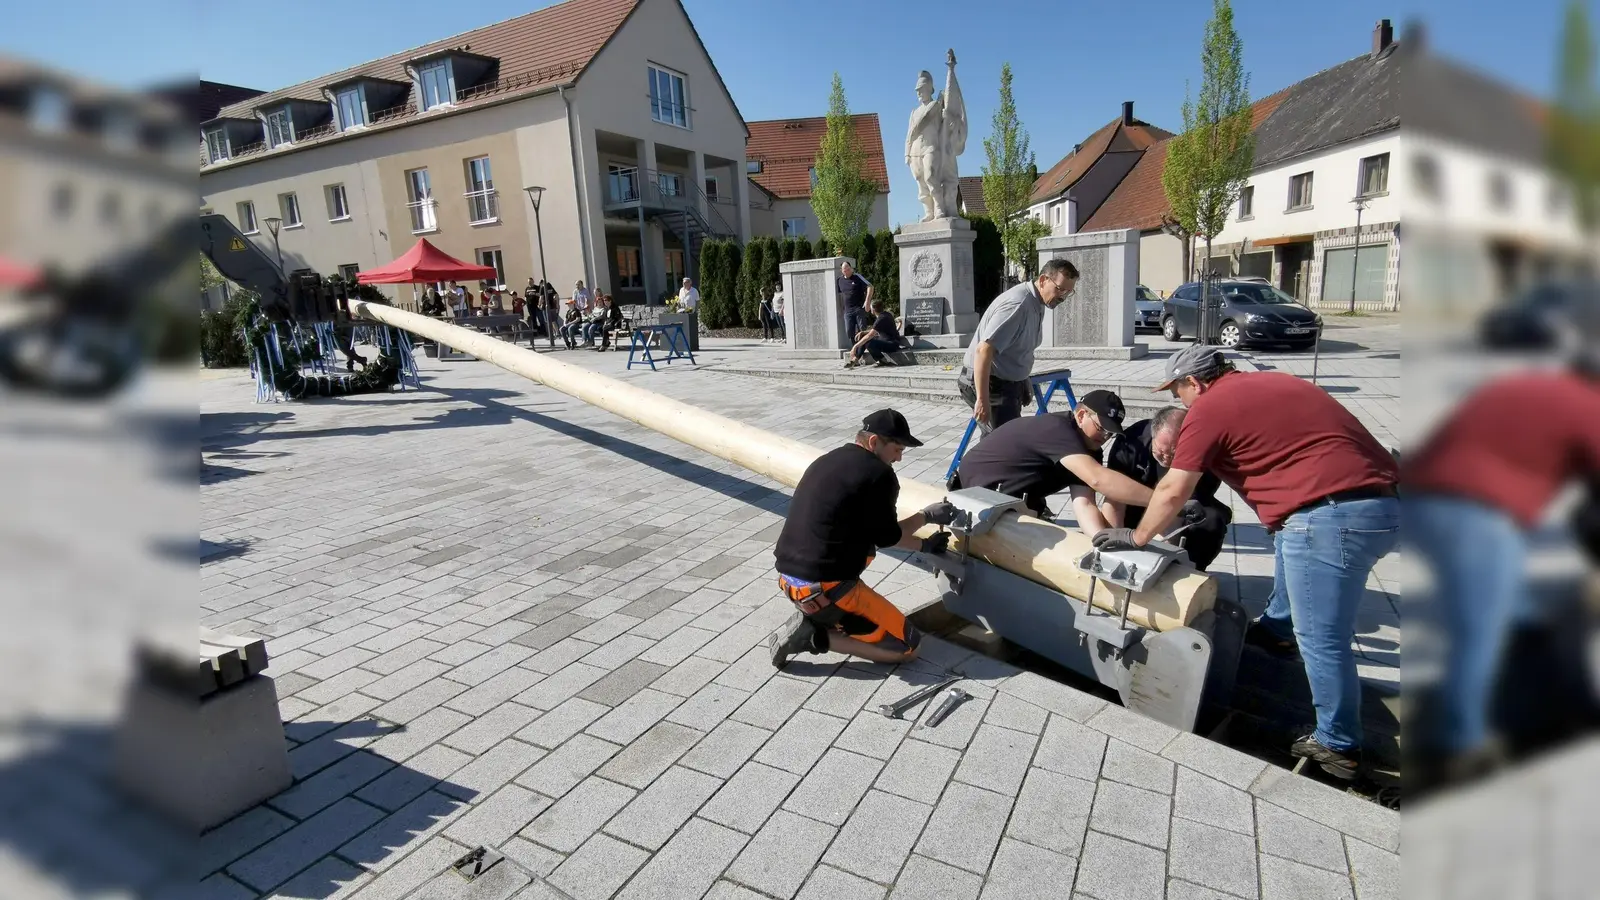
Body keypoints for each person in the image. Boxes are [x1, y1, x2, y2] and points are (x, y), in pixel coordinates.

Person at [1095, 343, 1400, 780]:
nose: (1178, 400)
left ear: (1193, 383)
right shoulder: (1277, 381)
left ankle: (1338, 744)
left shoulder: (1209, 407)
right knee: (1286, 543)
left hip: (1329, 517)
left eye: (1177, 390)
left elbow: (1173, 491)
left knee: (1321, 637)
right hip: (1384, 504)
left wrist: (1137, 536)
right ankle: (1275, 630)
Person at [1403, 358, 1600, 790]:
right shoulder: (1587, 403)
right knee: (1482, 631)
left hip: (1424, 497)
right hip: (1477, 512)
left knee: (1513, 611)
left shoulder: (1519, 385)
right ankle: (1461, 744)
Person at [768, 409, 958, 667]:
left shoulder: (828, 458)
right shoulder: (879, 474)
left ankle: (823, 617)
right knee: (908, 647)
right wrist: (926, 517)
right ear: (873, 442)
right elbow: (890, 537)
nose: (899, 458)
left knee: (866, 546)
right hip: (824, 589)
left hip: (788, 579)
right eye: (897, 449)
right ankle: (814, 636)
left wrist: (925, 544)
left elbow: (878, 536)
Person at [953, 390, 1153, 529]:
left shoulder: (1090, 451)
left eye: (1111, 434)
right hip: (976, 490)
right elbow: (1098, 479)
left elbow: (1084, 505)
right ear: (1081, 415)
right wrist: (1161, 501)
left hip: (1013, 496)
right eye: (1101, 429)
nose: (1105, 438)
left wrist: (1100, 542)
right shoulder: (1058, 430)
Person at [1103, 406, 1232, 572]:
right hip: (1134, 506)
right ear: (1153, 434)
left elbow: (1175, 507)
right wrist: (1115, 548)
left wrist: (1154, 561)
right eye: (1161, 452)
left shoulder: (1202, 453)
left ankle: (1192, 571)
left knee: (1211, 520)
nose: (1167, 459)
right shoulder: (1132, 441)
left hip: (1178, 509)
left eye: (1174, 453)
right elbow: (1115, 497)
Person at [959, 258, 1078, 436]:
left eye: (1069, 292)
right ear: (1044, 280)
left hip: (1005, 383)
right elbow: (984, 350)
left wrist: (1022, 379)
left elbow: (1017, 348)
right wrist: (982, 399)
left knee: (1003, 444)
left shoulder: (1038, 301)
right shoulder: (1018, 305)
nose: (1063, 297)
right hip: (991, 385)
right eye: (1060, 289)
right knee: (1004, 445)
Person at [846, 300, 904, 368]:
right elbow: (876, 329)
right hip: (887, 341)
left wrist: (855, 346)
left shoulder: (881, 318)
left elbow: (870, 335)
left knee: (868, 342)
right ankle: (855, 359)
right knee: (864, 337)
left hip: (892, 344)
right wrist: (863, 332)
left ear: (873, 309)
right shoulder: (886, 314)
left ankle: (882, 360)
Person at [837, 261, 872, 340]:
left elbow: (870, 287)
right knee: (849, 331)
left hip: (859, 308)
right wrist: (840, 308)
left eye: (848, 269)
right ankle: (855, 348)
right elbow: (840, 295)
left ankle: (862, 348)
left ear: (851, 269)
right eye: (844, 270)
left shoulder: (857, 277)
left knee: (862, 329)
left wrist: (867, 301)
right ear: (842, 271)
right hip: (847, 310)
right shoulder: (839, 280)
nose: (847, 272)